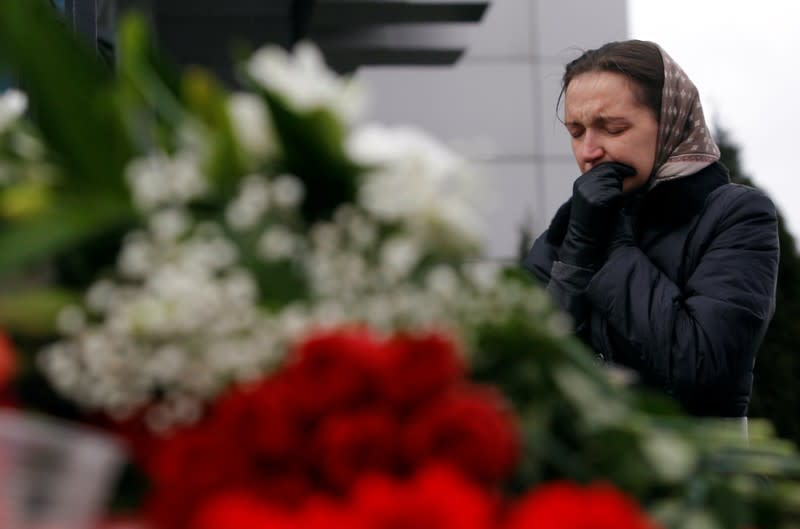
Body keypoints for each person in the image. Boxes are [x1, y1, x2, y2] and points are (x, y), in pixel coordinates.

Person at [523, 40, 779, 418]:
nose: (588, 151)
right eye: (576, 132)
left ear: (671, 123)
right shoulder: (567, 230)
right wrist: (577, 253)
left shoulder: (735, 215)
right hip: (586, 473)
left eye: (612, 128)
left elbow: (700, 367)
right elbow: (527, 372)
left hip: (704, 472)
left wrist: (608, 242)